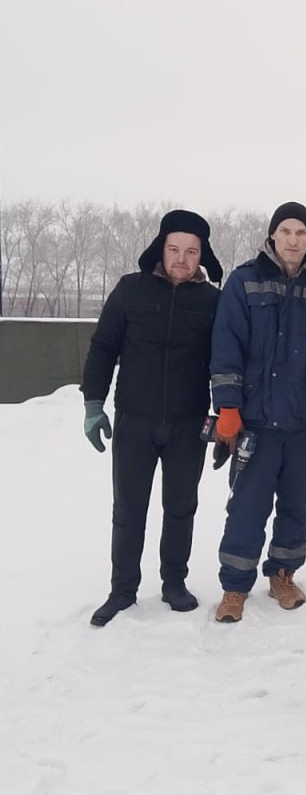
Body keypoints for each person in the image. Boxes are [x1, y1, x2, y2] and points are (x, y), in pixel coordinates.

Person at [210, 202, 306, 623]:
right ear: (272, 235)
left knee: (296, 504)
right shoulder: (244, 281)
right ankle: (235, 586)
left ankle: (283, 575)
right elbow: (226, 348)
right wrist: (228, 407)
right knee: (247, 507)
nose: (293, 239)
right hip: (256, 421)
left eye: (301, 233)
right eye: (286, 231)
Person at [81, 209, 223, 627]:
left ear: (202, 255)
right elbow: (103, 348)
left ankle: (174, 583)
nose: (182, 258)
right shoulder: (130, 290)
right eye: (174, 249)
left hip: (188, 423)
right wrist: (93, 404)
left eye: (191, 251)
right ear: (161, 249)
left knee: (181, 507)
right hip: (135, 420)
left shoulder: (212, 301)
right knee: (128, 510)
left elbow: (224, 362)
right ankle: (122, 589)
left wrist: (225, 419)